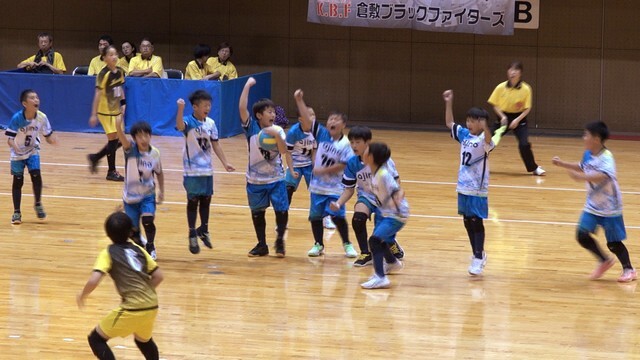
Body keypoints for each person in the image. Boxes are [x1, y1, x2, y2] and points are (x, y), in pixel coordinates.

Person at [552, 121, 636, 282]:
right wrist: (562, 164)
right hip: (593, 204)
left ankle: (629, 269)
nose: (583, 138)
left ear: (596, 139)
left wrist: (580, 178)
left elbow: (603, 175)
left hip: (610, 206)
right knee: (581, 235)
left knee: (614, 243)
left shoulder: (607, 157)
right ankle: (604, 260)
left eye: (586, 135)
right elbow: (583, 166)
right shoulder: (588, 154)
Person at [76, 211, 163, 360]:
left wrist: (82, 295)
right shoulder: (138, 249)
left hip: (132, 307)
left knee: (96, 339)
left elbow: (94, 280)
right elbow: (159, 276)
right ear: (130, 232)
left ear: (108, 234)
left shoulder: (108, 252)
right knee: (144, 341)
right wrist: (144, 293)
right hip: (152, 305)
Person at [294, 89, 357, 258]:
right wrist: (299, 100)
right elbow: (307, 122)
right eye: (330, 119)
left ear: (343, 125)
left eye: (336, 119)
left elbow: (343, 165)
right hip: (317, 187)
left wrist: (322, 170)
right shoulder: (321, 133)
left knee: (338, 217)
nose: (332, 121)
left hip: (336, 188)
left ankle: (347, 244)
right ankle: (318, 244)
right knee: (315, 217)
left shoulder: (345, 144)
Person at [332, 125, 405, 266]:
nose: (354, 145)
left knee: (380, 235)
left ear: (367, 142)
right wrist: (338, 203)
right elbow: (349, 189)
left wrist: (396, 198)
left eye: (357, 142)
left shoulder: (382, 158)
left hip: (385, 200)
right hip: (367, 197)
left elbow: (396, 179)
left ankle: (391, 243)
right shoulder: (352, 163)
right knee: (358, 219)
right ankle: (366, 253)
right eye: (351, 142)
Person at [239, 77, 295, 257]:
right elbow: (242, 108)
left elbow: (284, 150)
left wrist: (277, 135)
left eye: (273, 112)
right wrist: (247, 85)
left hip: (276, 178)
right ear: (258, 115)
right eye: (268, 111)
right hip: (255, 179)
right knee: (257, 213)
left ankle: (279, 241)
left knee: (282, 210)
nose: (272, 114)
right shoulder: (252, 128)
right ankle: (262, 245)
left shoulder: (278, 130)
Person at [176, 90, 235, 255]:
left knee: (206, 200)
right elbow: (180, 126)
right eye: (204, 105)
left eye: (209, 105)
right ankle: (192, 232)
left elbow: (215, 144)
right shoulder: (188, 121)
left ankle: (204, 229)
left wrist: (225, 163)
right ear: (195, 107)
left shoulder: (211, 123)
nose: (207, 108)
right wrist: (180, 109)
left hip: (207, 168)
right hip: (192, 169)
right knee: (193, 201)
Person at [444, 89, 495, 276]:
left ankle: (479, 257)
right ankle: (477, 254)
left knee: (476, 221)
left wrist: (486, 127)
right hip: (463, 186)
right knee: (467, 221)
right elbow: (450, 123)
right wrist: (449, 102)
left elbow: (489, 141)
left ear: (482, 123)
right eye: (468, 120)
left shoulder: (485, 139)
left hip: (478, 188)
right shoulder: (465, 134)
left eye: (474, 121)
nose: (469, 123)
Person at [358, 142, 409, 289]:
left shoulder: (383, 175)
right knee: (380, 240)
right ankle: (392, 262)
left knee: (374, 241)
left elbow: (397, 190)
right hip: (385, 212)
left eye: (367, 151)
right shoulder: (374, 172)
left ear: (372, 157)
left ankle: (380, 277)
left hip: (395, 215)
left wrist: (396, 203)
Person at [114, 117, 164, 260]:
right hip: (130, 197)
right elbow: (122, 138)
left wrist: (162, 191)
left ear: (150, 136)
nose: (143, 139)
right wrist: (118, 125)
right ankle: (140, 245)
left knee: (148, 220)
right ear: (134, 138)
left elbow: (159, 173)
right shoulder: (130, 150)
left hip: (148, 194)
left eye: (146, 135)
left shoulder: (155, 153)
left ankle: (151, 245)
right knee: (133, 232)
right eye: (139, 136)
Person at [6, 89, 57, 224]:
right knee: (18, 181)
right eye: (33, 98)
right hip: (17, 153)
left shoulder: (41, 117)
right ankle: (17, 212)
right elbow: (9, 139)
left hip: (32, 150)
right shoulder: (17, 118)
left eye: (37, 98)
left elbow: (47, 135)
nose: (36, 100)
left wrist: (52, 140)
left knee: (36, 175)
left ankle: (38, 203)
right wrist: (16, 149)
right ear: (24, 103)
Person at [488, 61, 545, 176]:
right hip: (502, 117)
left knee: (524, 144)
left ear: (520, 73)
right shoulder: (500, 87)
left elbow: (527, 108)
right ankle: (477, 163)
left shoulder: (526, 89)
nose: (512, 72)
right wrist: (503, 117)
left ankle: (534, 168)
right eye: (510, 70)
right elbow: (494, 104)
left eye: (516, 70)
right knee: (488, 140)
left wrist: (517, 120)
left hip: (519, 118)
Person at [87, 45, 126, 182]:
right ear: (104, 58)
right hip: (105, 111)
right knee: (113, 140)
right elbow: (97, 94)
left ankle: (96, 157)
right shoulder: (103, 74)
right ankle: (111, 171)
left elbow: (119, 88)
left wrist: (123, 103)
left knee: (120, 140)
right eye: (110, 54)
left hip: (116, 110)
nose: (114, 56)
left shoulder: (120, 71)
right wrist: (93, 114)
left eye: (115, 54)